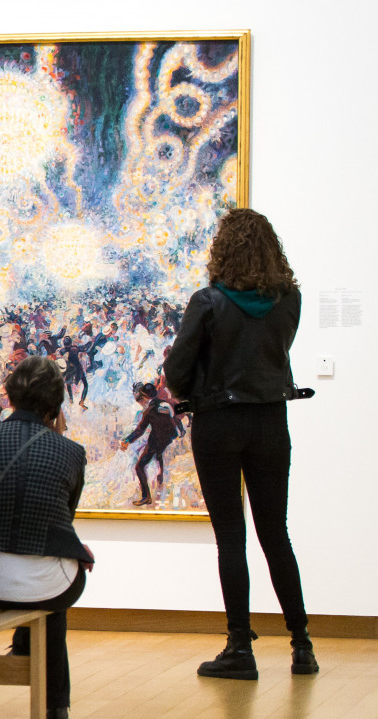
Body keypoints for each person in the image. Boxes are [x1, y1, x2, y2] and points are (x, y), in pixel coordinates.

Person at [164, 208, 318, 680]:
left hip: (218, 424)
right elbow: (275, 353)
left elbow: (176, 372)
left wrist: (187, 388)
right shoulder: (289, 299)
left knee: (231, 538)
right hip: (272, 421)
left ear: (222, 249)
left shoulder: (207, 302)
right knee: (277, 535)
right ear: (272, 249)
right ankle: (302, 646)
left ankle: (239, 650)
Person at [0, 355, 93, 719]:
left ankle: (24, 648)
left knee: (36, 571)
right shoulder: (71, 452)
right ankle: (56, 706)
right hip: (48, 587)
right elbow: (62, 517)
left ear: (9, 394)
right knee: (50, 594)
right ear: (56, 402)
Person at [121, 383, 178, 506]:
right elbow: (173, 419)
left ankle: (146, 497)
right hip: (168, 438)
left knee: (139, 467)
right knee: (159, 455)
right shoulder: (166, 404)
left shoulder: (149, 411)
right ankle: (160, 477)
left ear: (145, 396)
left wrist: (127, 440)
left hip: (156, 441)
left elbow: (140, 430)